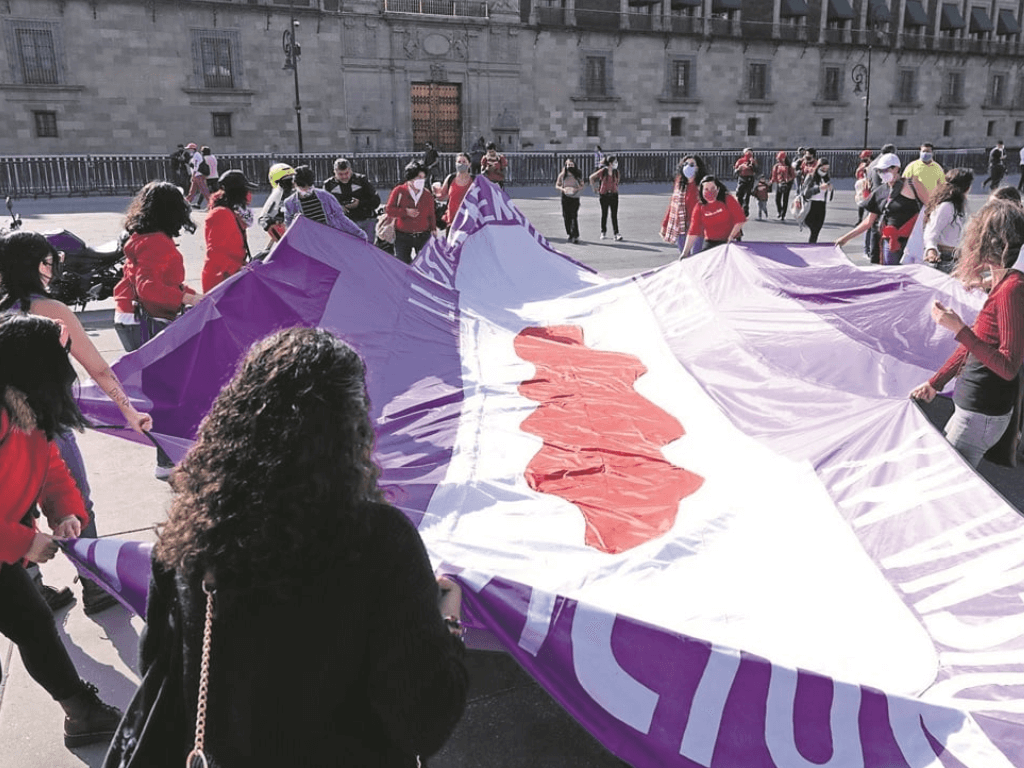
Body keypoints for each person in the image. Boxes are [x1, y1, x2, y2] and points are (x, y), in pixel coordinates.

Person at [105, 327, 468, 767]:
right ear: (350, 426)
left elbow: (158, 663)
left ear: (236, 414)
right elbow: (423, 722)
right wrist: (447, 621)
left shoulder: (194, 525)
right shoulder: (378, 542)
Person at [0, 231, 152, 614]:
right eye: (49, 261)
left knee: (15, 510)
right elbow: (98, 369)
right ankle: (97, 585)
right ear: (36, 264)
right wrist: (129, 411)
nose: (52, 269)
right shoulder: (52, 312)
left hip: (8, 429)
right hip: (48, 430)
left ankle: (31, 591)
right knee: (74, 503)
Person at [0, 313, 123, 747]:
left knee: (32, 623)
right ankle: (82, 713)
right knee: (32, 623)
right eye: (59, 356)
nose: (67, 368)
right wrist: (21, 541)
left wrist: (66, 512)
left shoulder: (26, 404)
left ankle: (82, 714)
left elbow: (50, 466)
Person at [910, 200, 1024, 467]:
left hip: (980, 411)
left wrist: (958, 328)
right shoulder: (1006, 282)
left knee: (944, 482)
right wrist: (936, 383)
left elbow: (1008, 366)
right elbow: (978, 343)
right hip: (975, 409)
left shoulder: (1012, 289)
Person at [114, 181, 204, 479]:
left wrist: (188, 294)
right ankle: (168, 461)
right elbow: (150, 288)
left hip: (136, 319)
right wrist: (188, 297)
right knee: (172, 394)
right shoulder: (157, 242)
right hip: (153, 321)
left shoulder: (142, 237)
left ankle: (168, 458)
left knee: (164, 392)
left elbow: (150, 283)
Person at [836, 153, 929, 265]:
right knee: (891, 274)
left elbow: (931, 205)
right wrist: (845, 239)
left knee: (914, 275)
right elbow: (868, 222)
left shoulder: (912, 183)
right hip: (890, 243)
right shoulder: (879, 192)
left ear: (896, 168)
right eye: (880, 171)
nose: (882, 174)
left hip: (914, 240)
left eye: (886, 170)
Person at [202, 170, 258, 293]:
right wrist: (238, 270)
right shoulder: (220, 214)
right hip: (221, 280)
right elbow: (217, 254)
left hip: (231, 277)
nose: (249, 195)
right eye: (246, 190)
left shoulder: (232, 213)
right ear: (238, 192)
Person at [282, 165, 369, 242]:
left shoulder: (325, 196)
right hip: (309, 243)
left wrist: (359, 233)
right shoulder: (290, 203)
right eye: (302, 187)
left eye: (309, 186)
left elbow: (341, 218)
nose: (306, 190)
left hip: (330, 240)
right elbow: (290, 228)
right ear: (294, 184)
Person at [385, 161, 439, 264]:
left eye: (423, 178)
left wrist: (433, 228)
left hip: (423, 235)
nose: (421, 180)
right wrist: (405, 212)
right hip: (403, 236)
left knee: (424, 264)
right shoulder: (399, 191)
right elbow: (389, 209)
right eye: (418, 177)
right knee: (402, 264)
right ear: (411, 177)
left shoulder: (427, 194)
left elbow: (431, 213)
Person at [680, 175, 746, 258]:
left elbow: (740, 219)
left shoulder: (727, 199)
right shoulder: (700, 207)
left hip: (730, 242)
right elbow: (693, 231)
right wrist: (685, 253)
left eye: (712, 188)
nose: (710, 192)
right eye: (706, 189)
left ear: (718, 189)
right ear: (701, 191)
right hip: (710, 242)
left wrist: (730, 238)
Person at [922, 168, 973, 274]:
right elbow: (931, 231)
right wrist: (931, 250)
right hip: (945, 258)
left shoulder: (961, 205)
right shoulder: (947, 206)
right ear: (966, 187)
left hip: (958, 257)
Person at [323, 157, 381, 242]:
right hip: (342, 224)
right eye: (340, 174)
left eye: (346, 173)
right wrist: (340, 207)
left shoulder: (361, 180)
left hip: (365, 220)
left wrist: (359, 203)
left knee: (367, 248)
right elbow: (325, 206)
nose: (344, 177)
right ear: (334, 172)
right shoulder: (329, 185)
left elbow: (376, 200)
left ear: (350, 170)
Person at [661, 155, 706, 254]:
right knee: (684, 255)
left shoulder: (703, 184)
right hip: (682, 225)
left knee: (696, 255)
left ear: (698, 167)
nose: (688, 167)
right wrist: (665, 224)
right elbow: (673, 205)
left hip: (698, 226)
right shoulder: (680, 183)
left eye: (691, 164)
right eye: (685, 164)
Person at [257, 163, 297, 245]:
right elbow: (266, 216)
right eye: (287, 181)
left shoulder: (297, 193)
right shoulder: (279, 194)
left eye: (292, 179)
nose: (291, 183)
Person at [797, 158, 832, 244]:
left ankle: (812, 245)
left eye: (827, 169)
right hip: (812, 205)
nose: (825, 171)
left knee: (817, 230)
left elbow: (828, 196)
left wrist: (830, 190)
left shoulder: (826, 178)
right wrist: (819, 188)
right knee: (812, 227)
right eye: (823, 168)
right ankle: (811, 245)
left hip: (822, 205)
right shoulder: (811, 177)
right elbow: (806, 193)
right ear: (818, 167)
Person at [437, 152, 475, 231]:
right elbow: (442, 196)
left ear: (469, 164)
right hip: (451, 222)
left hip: (469, 223)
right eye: (459, 162)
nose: (461, 164)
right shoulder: (450, 178)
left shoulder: (474, 181)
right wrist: (436, 190)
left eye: (464, 162)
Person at [589, 155, 622, 241]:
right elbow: (591, 178)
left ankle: (616, 233)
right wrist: (595, 188)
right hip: (604, 195)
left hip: (614, 195)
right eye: (614, 162)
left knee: (614, 215)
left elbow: (617, 181)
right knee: (604, 214)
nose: (616, 164)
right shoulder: (603, 171)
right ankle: (603, 232)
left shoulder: (616, 172)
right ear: (610, 163)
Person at [553, 158, 584, 244]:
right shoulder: (562, 175)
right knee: (566, 216)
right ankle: (570, 233)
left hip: (575, 197)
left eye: (571, 164)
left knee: (574, 215)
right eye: (568, 165)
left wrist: (575, 189)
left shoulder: (577, 174)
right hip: (565, 197)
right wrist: (563, 189)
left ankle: (575, 235)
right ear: (565, 165)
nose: (570, 166)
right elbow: (557, 185)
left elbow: (582, 185)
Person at [769, 151, 795, 221]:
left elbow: (793, 176)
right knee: (777, 198)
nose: (779, 160)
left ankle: (783, 214)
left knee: (785, 199)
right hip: (779, 183)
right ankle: (779, 211)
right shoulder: (776, 166)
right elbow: (774, 175)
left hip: (787, 184)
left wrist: (787, 180)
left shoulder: (789, 167)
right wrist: (771, 182)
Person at [733, 147, 759, 216]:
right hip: (742, 178)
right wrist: (739, 168)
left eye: (750, 152)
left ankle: (745, 210)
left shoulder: (753, 161)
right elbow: (735, 171)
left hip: (750, 178)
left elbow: (757, 171)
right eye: (747, 152)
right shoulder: (740, 161)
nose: (749, 154)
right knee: (739, 194)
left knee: (747, 195)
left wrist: (752, 165)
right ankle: (738, 208)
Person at [185, 144, 211, 210]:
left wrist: (193, 175)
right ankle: (186, 202)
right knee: (192, 191)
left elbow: (196, 166)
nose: (189, 150)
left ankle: (212, 203)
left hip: (198, 175)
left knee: (204, 191)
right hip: (196, 175)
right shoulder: (195, 155)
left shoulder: (196, 155)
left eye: (190, 149)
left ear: (193, 149)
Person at [854, 149, 873, 224]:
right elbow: (857, 174)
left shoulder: (872, 164)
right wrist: (859, 170)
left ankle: (869, 219)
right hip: (861, 184)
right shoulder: (861, 164)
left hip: (868, 184)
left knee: (869, 201)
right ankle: (860, 219)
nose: (862, 159)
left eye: (864, 157)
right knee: (861, 202)